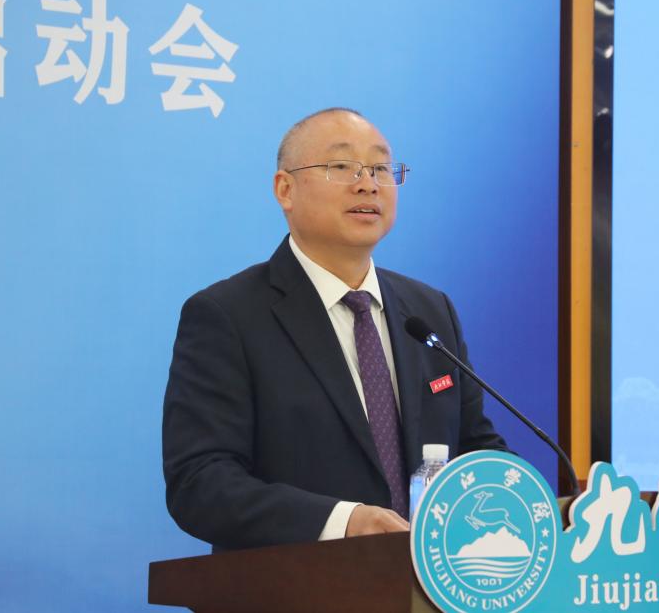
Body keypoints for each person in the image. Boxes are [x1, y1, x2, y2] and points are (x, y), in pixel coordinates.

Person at [162, 108, 507, 552]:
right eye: (341, 166)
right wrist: (343, 521)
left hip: (429, 581)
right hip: (298, 582)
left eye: (380, 168)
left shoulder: (429, 311)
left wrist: (526, 500)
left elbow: (475, 448)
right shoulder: (228, 315)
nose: (368, 184)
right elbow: (200, 483)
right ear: (285, 189)